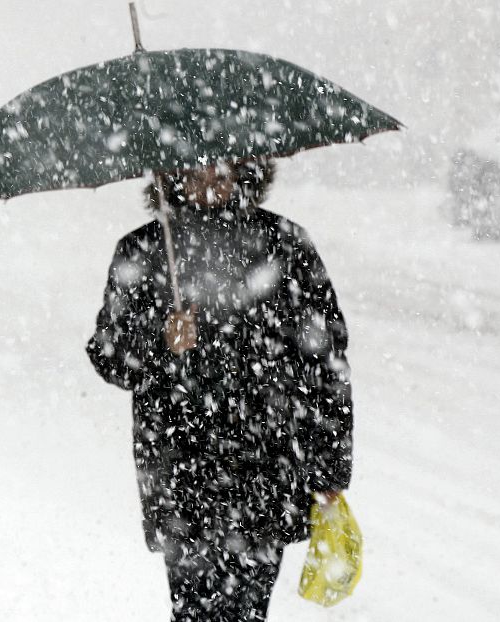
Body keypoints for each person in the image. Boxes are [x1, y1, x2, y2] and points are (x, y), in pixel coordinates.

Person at [86, 157, 353, 621]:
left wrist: (329, 471)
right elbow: (110, 358)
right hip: (179, 465)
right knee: (193, 611)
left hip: (265, 464)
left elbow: (325, 362)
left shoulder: (284, 246)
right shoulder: (146, 251)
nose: (210, 182)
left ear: (248, 171)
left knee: (248, 611)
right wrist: (158, 341)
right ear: (169, 177)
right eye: (195, 171)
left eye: (223, 170)